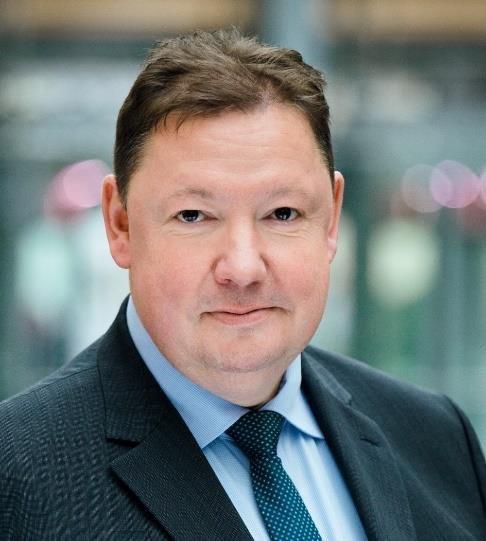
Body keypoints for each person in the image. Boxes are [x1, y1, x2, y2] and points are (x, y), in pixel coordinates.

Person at [1, 29, 485, 541]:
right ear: (120, 224)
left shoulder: (436, 439)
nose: (243, 267)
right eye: (193, 215)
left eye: (283, 213)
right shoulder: (17, 477)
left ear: (331, 219)